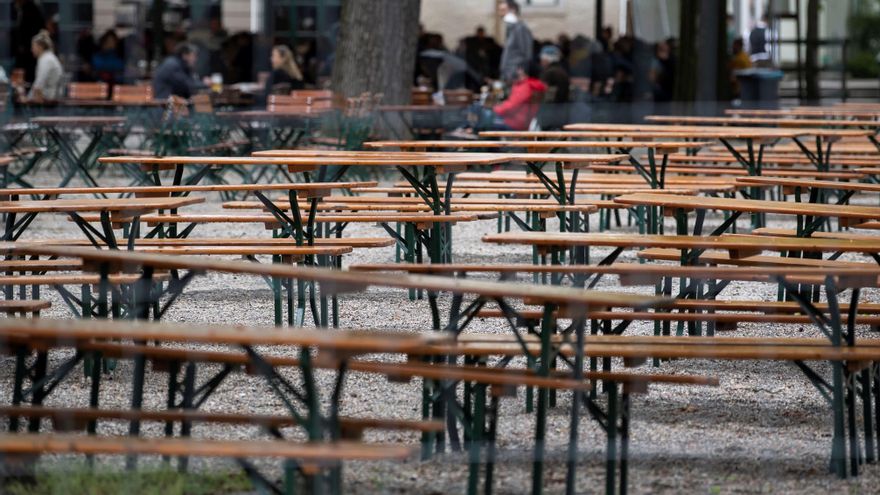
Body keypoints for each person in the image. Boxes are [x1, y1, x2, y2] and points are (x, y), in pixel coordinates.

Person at [480, 62, 546, 131]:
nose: (518, 71)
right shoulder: (534, 86)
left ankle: (478, 139)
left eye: (520, 69)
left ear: (525, 72)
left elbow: (513, 105)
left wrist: (495, 109)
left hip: (513, 122)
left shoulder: (525, 86)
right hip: (523, 122)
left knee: (485, 116)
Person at [498, 0, 534, 84]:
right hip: (508, 76)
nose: (501, 14)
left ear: (513, 10)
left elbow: (527, 53)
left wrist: (520, 71)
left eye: (503, 10)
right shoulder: (511, 29)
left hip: (516, 77)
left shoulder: (520, 29)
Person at [11, 0, 45, 83]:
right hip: (24, 51)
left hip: (28, 51)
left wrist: (26, 46)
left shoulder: (31, 9)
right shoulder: (20, 9)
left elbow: (32, 30)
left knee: (28, 75)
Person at [26, 30, 63, 103]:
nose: (31, 50)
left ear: (40, 47)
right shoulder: (46, 57)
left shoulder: (46, 59)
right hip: (49, 97)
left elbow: (39, 84)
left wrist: (28, 99)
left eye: (33, 46)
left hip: (49, 100)